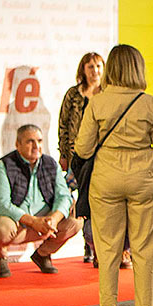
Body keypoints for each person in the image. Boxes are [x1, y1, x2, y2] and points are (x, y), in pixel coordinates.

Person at [75, 44, 153, 306]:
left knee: (108, 252)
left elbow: (82, 149)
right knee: (145, 253)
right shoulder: (151, 104)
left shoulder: (97, 103)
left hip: (106, 182)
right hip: (146, 181)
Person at [0, 125, 79, 278]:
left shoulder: (51, 163)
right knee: (1, 229)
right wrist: (33, 221)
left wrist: (53, 220)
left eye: (39, 141)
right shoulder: (4, 165)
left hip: (46, 225)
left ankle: (42, 254)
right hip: (18, 224)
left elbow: (64, 196)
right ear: (18, 144)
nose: (36, 146)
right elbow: (2, 204)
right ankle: (0, 256)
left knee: (75, 223)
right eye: (30, 141)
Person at [58, 51, 103, 265]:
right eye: (90, 66)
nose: (95, 71)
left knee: (98, 198)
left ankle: (96, 244)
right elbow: (63, 125)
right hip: (76, 155)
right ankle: (88, 242)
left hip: (101, 155)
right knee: (81, 198)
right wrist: (63, 154)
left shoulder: (107, 94)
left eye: (98, 66)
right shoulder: (73, 94)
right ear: (83, 70)